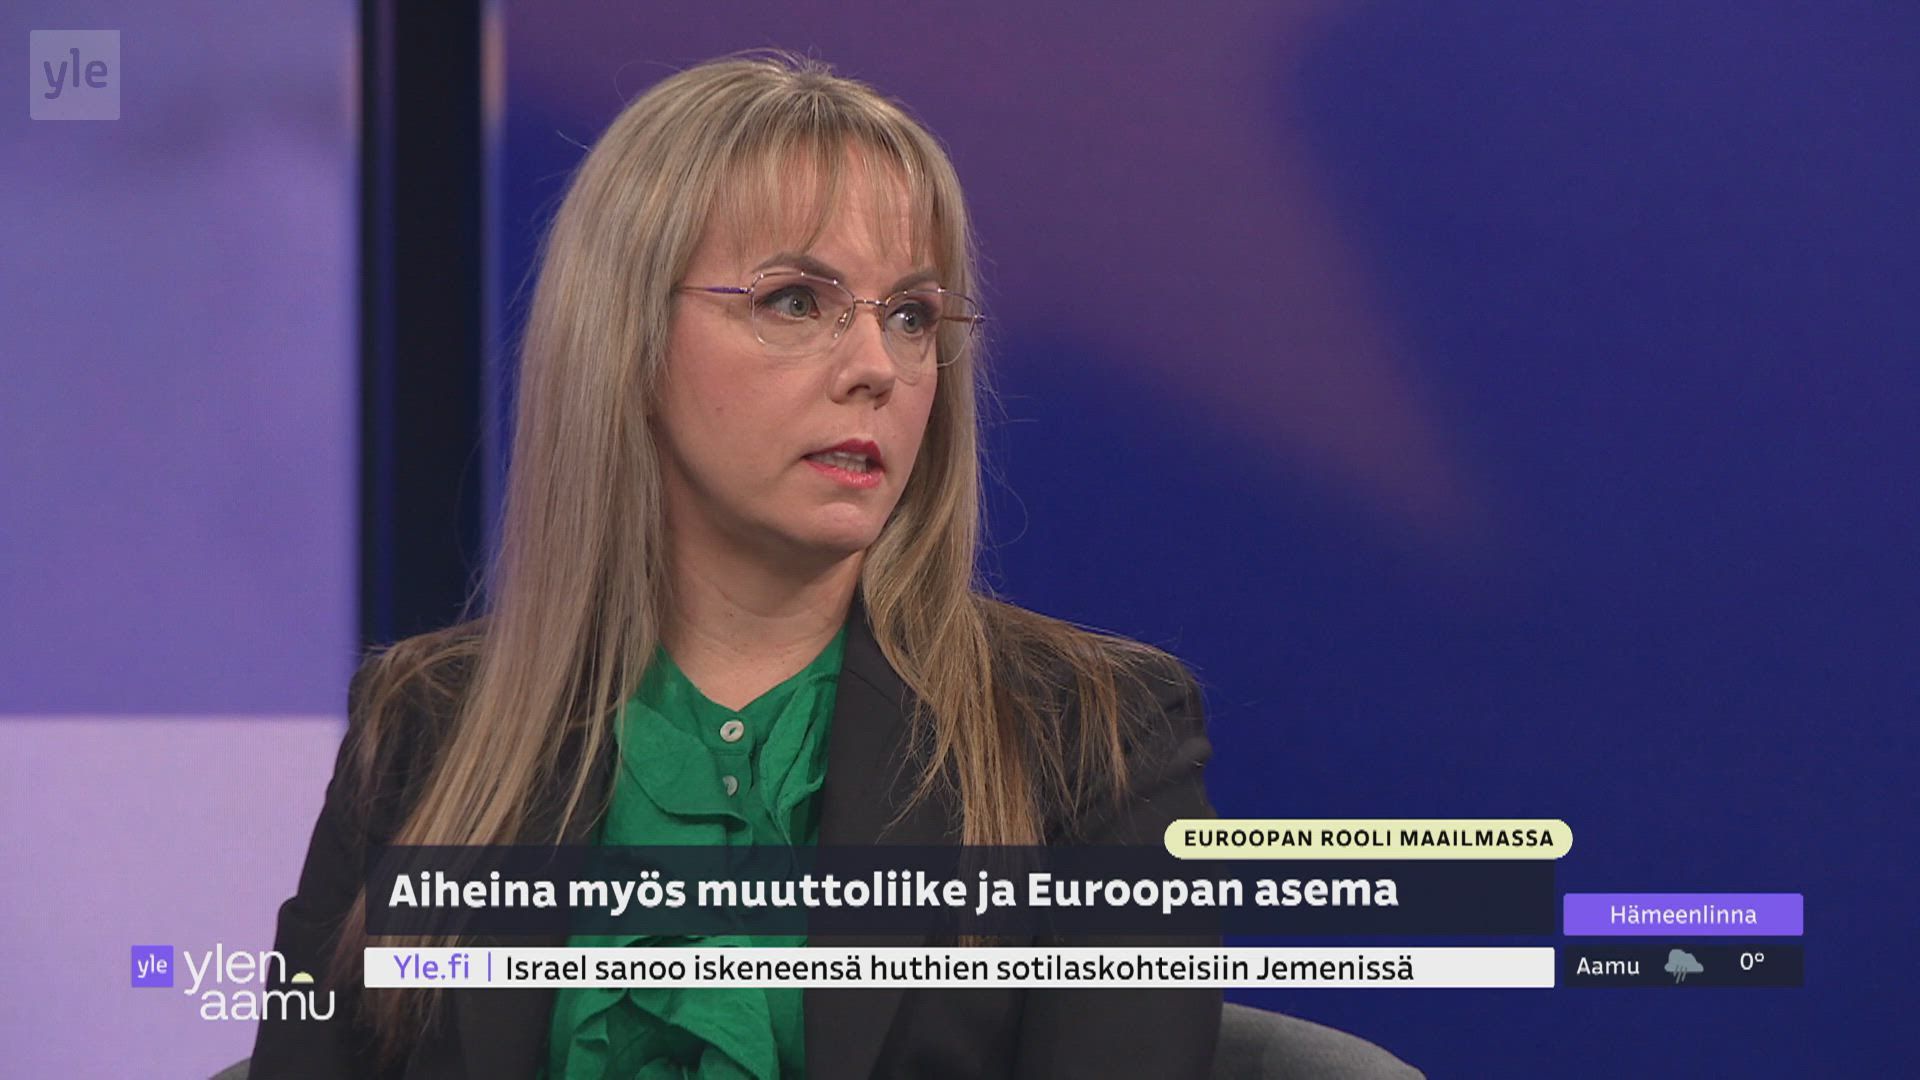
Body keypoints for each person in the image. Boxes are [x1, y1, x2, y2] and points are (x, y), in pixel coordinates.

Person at [251, 51, 1219, 1079]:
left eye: (912, 316)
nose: (876, 369)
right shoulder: (427, 725)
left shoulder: (1092, 737)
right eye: (796, 301)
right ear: (628, 340)